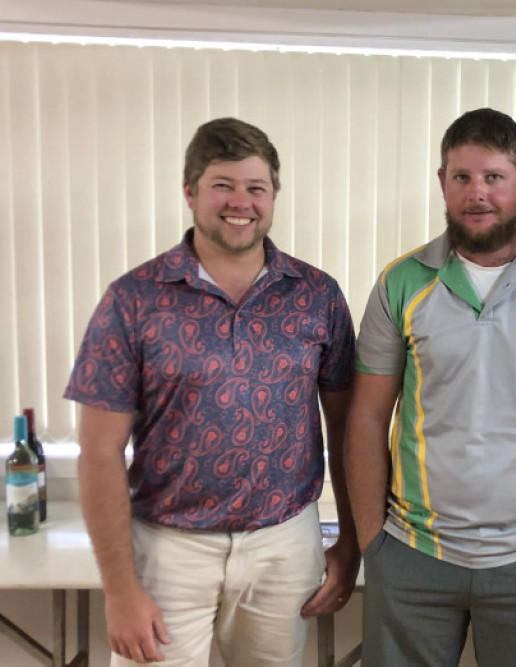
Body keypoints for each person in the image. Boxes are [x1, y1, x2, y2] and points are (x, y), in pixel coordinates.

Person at [64, 117, 359, 666]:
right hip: (168, 548)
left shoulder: (317, 295)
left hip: (285, 542)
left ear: (274, 195)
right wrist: (120, 591)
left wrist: (350, 542)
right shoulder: (133, 300)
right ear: (191, 192)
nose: (240, 202)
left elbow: (347, 429)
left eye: (256, 188)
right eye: (223, 185)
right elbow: (99, 453)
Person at [345, 107, 516, 667]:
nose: (478, 194)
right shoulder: (401, 282)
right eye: (461, 177)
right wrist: (375, 543)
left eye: (494, 177)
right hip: (413, 553)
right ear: (442, 183)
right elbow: (368, 416)